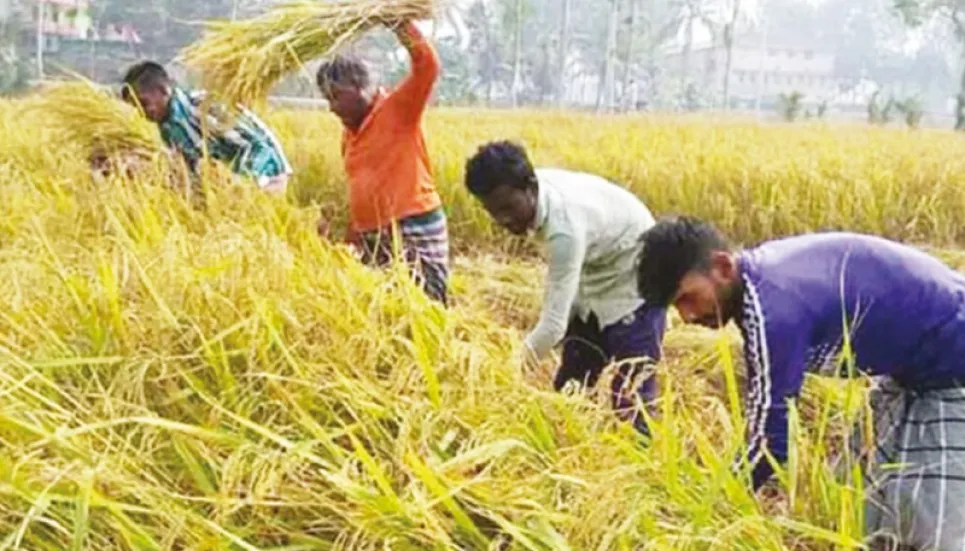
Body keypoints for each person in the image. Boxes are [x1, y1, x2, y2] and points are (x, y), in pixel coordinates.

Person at [635, 216, 965, 550]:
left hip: (953, 369)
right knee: (851, 494)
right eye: (676, 307)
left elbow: (769, 441)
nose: (687, 316)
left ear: (722, 267)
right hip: (915, 372)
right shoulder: (761, 283)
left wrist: (706, 507)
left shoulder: (772, 309)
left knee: (937, 521)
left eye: (687, 297)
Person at [464, 140, 666, 436]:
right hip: (597, 275)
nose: (502, 220)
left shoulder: (564, 228)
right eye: (493, 211)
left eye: (508, 207)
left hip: (638, 282)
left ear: (530, 187)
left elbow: (553, 326)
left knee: (631, 400)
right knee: (571, 386)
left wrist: (506, 372)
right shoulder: (529, 187)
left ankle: (648, 471)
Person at [315, 19, 447, 305]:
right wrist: (352, 240)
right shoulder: (348, 135)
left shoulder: (397, 110)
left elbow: (428, 66)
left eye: (336, 96)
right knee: (387, 311)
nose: (331, 107)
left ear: (359, 86)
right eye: (327, 98)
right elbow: (360, 190)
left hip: (412, 227)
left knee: (426, 308)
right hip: (375, 235)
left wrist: (398, 22)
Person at [121, 61, 292, 195]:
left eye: (144, 103)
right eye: (135, 107)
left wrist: (241, 183)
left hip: (267, 174)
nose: (141, 113)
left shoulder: (204, 106)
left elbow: (257, 145)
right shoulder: (167, 128)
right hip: (232, 185)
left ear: (163, 90)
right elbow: (189, 168)